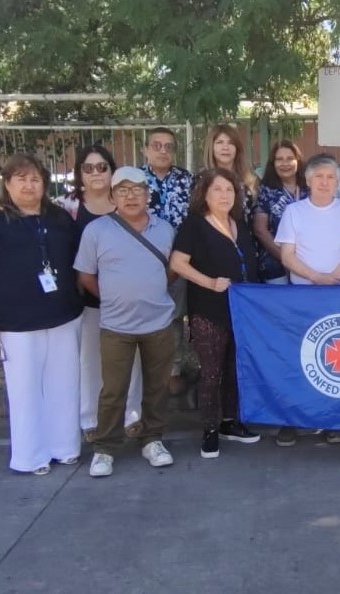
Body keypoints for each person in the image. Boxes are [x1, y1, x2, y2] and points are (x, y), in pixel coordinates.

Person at [0, 153, 83, 475]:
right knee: (25, 390)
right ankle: (32, 456)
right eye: (21, 179)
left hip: (63, 316)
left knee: (65, 385)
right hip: (16, 323)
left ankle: (65, 446)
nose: (29, 185)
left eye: (35, 179)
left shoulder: (59, 218)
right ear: (7, 184)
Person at [74, 166, 177, 478]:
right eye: (123, 190)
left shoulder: (165, 229)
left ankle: (152, 440)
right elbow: (86, 276)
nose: (131, 196)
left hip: (158, 322)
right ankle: (104, 448)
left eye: (137, 190)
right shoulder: (96, 231)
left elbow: (171, 271)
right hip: (116, 326)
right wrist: (115, 296)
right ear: (112, 196)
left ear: (148, 194)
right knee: (113, 389)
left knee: (156, 387)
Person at [170, 168, 261, 459]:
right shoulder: (194, 225)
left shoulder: (239, 225)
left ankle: (229, 422)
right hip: (209, 310)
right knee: (211, 373)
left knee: (235, 369)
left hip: (241, 311)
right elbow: (178, 263)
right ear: (204, 195)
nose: (224, 195)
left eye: (229, 190)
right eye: (217, 190)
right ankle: (209, 430)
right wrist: (210, 282)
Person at [275, 153, 340, 445]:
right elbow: (287, 255)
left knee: (335, 363)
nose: (325, 182)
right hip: (303, 297)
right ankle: (294, 419)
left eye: (331, 177)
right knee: (300, 358)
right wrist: (315, 277)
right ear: (309, 180)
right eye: (319, 176)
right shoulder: (294, 212)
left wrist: (333, 278)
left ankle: (334, 419)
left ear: (337, 182)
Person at [62, 146, 143, 440]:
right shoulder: (67, 206)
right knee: (91, 360)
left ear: (112, 170)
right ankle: (90, 419)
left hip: (127, 300)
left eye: (102, 167)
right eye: (88, 168)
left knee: (130, 360)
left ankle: (132, 414)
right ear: (79, 174)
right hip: (87, 299)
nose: (96, 173)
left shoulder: (126, 204)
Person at [140, 127, 196, 400]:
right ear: (146, 150)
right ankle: (148, 372)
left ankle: (173, 370)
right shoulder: (135, 181)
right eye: (157, 145)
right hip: (142, 262)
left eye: (168, 146)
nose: (162, 151)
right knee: (147, 317)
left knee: (175, 316)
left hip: (181, 260)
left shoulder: (187, 180)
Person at [253, 140, 309, 284]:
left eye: (290, 159)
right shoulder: (266, 189)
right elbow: (260, 230)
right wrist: (286, 258)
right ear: (273, 163)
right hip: (275, 264)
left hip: (309, 262)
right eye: (279, 159)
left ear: (298, 161)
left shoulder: (309, 187)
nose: (285, 164)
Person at [200, 124, 259, 221]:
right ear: (211, 147)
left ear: (237, 148)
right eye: (219, 142)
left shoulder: (251, 180)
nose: (225, 147)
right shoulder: (200, 181)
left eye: (231, 143)